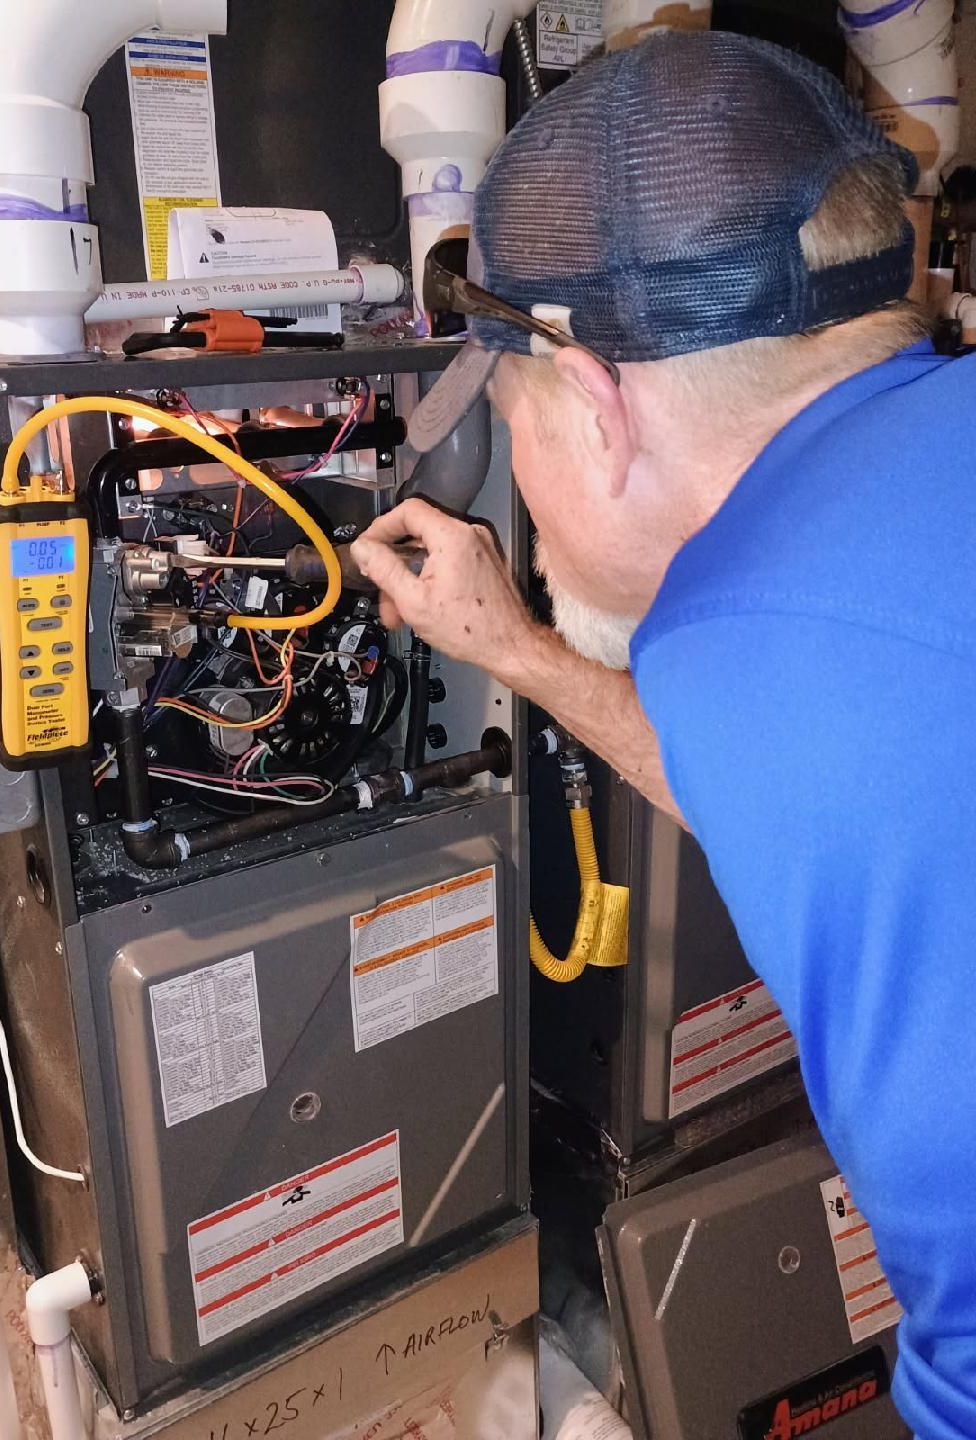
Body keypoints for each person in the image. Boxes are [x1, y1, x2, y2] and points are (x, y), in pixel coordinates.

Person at [351, 29, 976, 1440]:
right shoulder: (850, 580)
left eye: (509, 421)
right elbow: (780, 763)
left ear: (592, 401)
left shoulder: (750, 644)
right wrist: (515, 648)